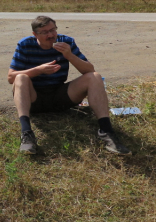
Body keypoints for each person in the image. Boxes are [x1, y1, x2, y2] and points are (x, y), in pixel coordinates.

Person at [8, 16, 129, 156]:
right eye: (45, 32)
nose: (51, 35)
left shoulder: (66, 41)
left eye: (53, 30)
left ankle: (106, 131)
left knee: (94, 77)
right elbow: (11, 77)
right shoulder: (25, 44)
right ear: (35, 34)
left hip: (59, 97)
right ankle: (27, 133)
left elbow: (89, 70)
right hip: (34, 99)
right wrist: (39, 70)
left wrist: (69, 55)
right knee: (21, 78)